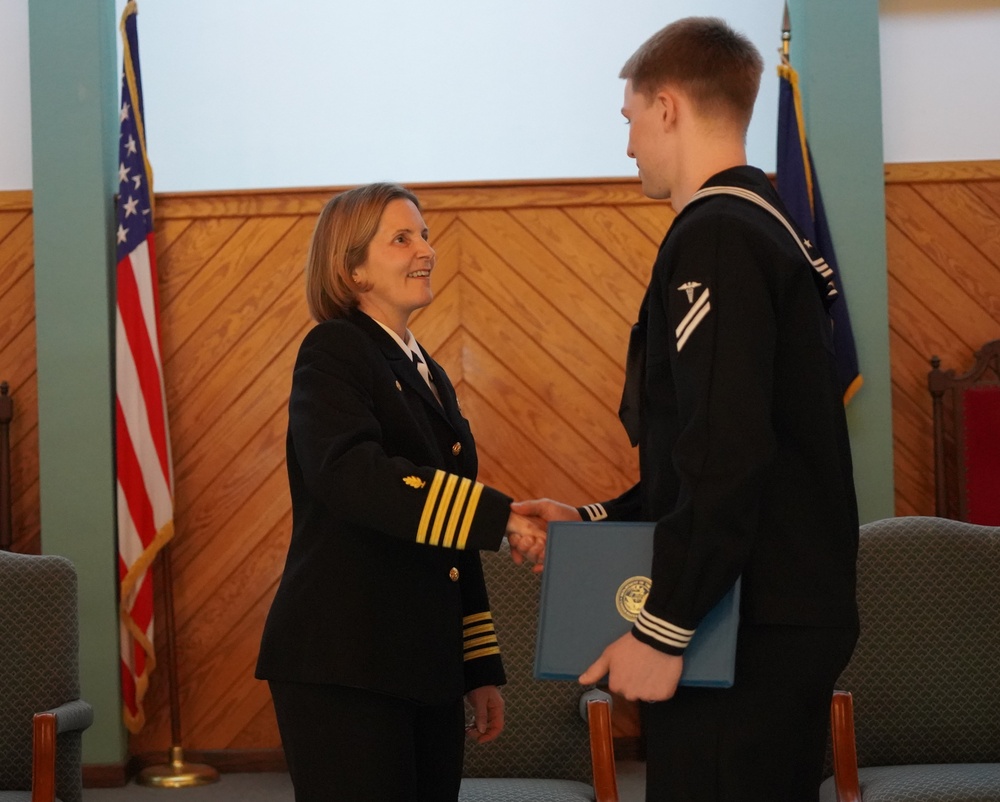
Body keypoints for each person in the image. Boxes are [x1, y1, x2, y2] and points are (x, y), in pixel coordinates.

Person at [514, 17, 859, 802]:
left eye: (630, 119)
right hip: (770, 610)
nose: (629, 144)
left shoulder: (716, 238)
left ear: (667, 106)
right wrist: (595, 521)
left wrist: (665, 625)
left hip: (742, 626)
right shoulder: (767, 226)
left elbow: (725, 450)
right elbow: (722, 447)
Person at [255, 182, 545, 802]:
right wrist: (500, 518)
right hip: (346, 661)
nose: (426, 250)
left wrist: (478, 668)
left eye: (426, 235)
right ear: (351, 267)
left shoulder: (426, 371)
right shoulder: (334, 348)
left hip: (424, 664)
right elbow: (355, 476)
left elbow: (446, 544)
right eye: (402, 237)